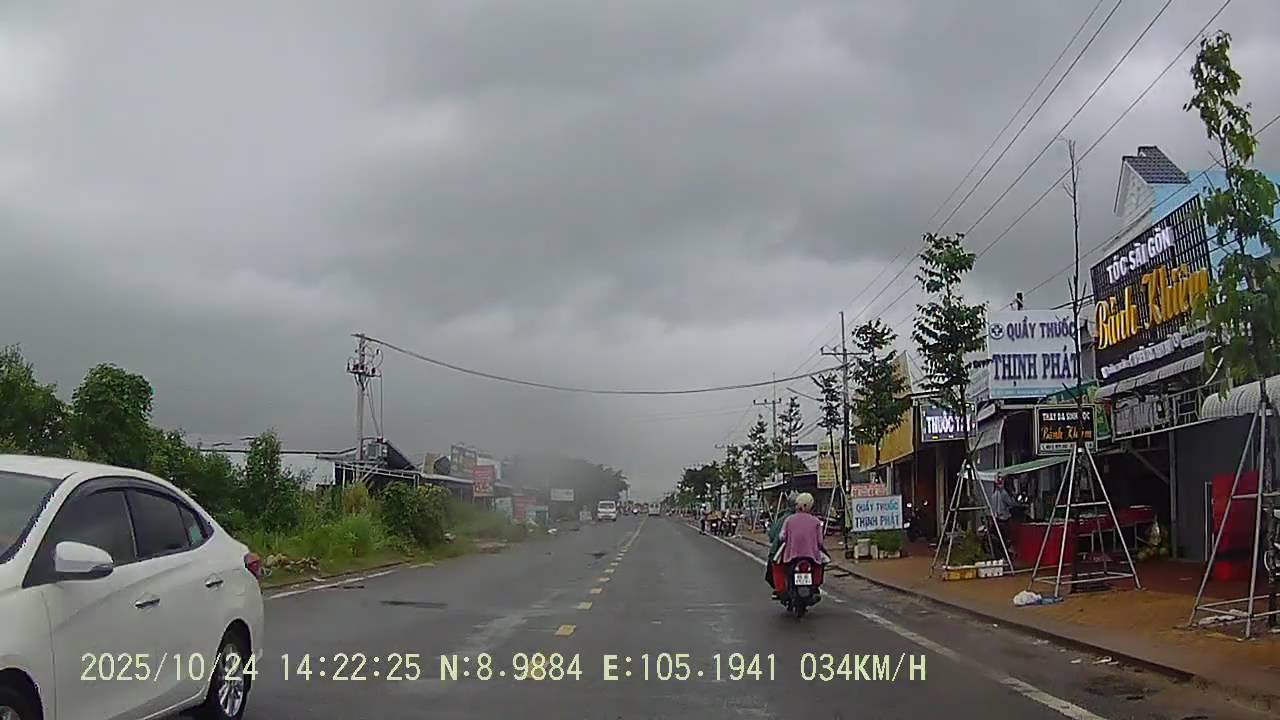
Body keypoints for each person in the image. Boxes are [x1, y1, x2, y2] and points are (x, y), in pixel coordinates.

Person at [779, 493, 825, 567]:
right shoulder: (816, 521)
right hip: (812, 557)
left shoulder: (789, 520)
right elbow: (820, 542)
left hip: (791, 557)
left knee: (786, 571)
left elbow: (782, 537)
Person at [765, 493, 796, 596]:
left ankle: (780, 589)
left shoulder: (784, 519)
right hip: (808, 553)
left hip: (785, 552)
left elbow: (773, 535)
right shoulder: (812, 519)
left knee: (776, 565)